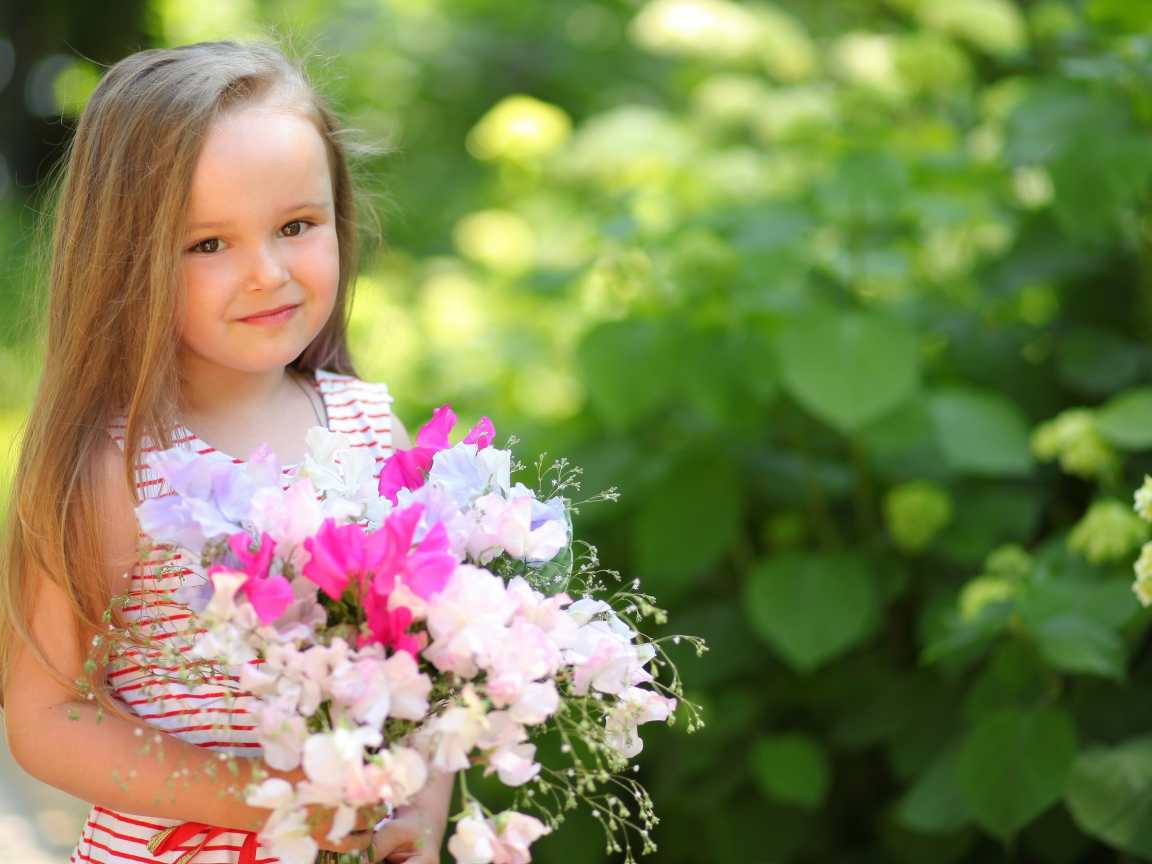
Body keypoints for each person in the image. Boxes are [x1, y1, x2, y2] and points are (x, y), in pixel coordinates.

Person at [0, 42, 452, 863]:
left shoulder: (370, 434)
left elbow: (422, 665)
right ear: (125, 260)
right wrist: (267, 803)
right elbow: (45, 719)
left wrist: (422, 804)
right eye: (208, 244)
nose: (266, 273)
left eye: (295, 226)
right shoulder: (117, 469)